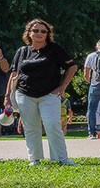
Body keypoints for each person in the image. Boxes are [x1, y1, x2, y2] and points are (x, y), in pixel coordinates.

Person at [5, 18, 78, 166]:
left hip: (49, 94)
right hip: (24, 94)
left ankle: (61, 159)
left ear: (47, 34)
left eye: (43, 31)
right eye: (35, 30)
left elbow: (72, 67)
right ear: (29, 33)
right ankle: (35, 159)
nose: (39, 33)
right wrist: (7, 96)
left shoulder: (55, 49)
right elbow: (14, 75)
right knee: (31, 127)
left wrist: (63, 86)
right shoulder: (22, 51)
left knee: (52, 124)